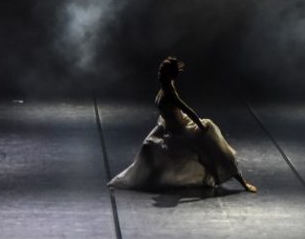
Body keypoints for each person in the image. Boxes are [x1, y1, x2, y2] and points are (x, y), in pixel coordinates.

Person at [109, 57, 257, 193]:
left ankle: (242, 182)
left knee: (214, 150)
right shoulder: (165, 86)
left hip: (181, 128)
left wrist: (200, 126)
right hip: (168, 127)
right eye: (161, 72)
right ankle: (147, 177)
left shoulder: (170, 93)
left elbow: (188, 110)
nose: (160, 75)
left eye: (163, 73)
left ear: (168, 75)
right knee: (148, 147)